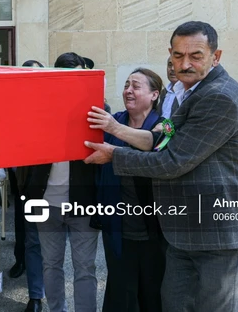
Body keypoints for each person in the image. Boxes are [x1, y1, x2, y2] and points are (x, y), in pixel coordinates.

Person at [85, 21, 238, 312]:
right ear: (170, 54)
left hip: (222, 234)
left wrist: (114, 155)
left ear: (215, 56)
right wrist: (115, 128)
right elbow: (161, 141)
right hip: (187, 232)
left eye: (195, 55)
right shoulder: (192, 91)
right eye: (178, 55)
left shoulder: (218, 96)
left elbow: (173, 161)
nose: (185, 64)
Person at [24, 52, 99, 312]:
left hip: (83, 204)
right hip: (46, 204)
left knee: (85, 267)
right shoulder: (40, 110)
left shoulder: (98, 110)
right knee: (51, 263)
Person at [95, 68, 166, 312]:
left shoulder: (165, 127)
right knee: (121, 293)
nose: (128, 91)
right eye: (126, 85)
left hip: (154, 230)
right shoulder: (114, 120)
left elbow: (158, 154)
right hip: (118, 227)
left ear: (154, 94)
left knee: (152, 293)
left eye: (136, 86)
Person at [8, 59, 46, 312]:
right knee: (31, 238)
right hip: (30, 183)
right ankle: (35, 296)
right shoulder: (18, 106)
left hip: (66, 189)